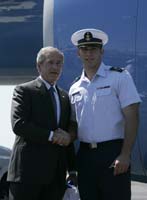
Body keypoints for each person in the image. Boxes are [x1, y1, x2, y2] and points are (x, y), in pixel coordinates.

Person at [69, 28, 141, 200]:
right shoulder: (74, 88)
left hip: (113, 154)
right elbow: (73, 124)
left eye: (93, 49)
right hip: (85, 156)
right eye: (84, 49)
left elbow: (132, 116)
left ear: (102, 51)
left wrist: (125, 154)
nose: (89, 54)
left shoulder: (119, 77)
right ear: (78, 53)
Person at [7, 46, 77, 200]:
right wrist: (52, 136)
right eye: (50, 62)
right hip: (27, 176)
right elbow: (19, 124)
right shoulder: (24, 90)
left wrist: (72, 170)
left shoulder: (64, 97)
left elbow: (66, 135)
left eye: (59, 63)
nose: (55, 67)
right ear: (39, 66)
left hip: (55, 179)